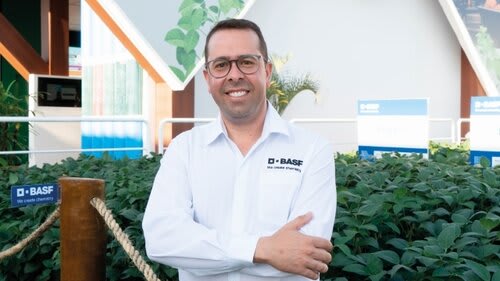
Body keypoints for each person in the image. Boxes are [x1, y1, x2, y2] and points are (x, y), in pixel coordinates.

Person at [142, 18, 336, 281]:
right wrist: (263, 249)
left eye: (246, 62)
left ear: (266, 71)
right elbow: (162, 239)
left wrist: (202, 253)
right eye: (221, 65)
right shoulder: (183, 149)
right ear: (208, 78)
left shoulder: (313, 150)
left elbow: (306, 253)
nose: (234, 75)